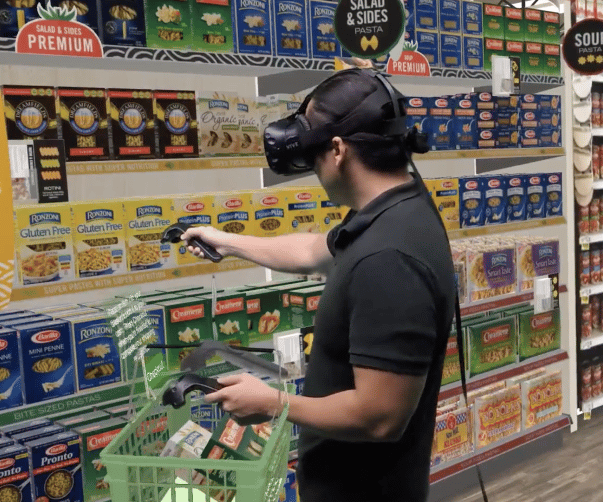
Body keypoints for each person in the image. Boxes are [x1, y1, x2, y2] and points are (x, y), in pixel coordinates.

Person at [180, 69, 455, 502]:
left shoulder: (388, 261)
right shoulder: (395, 212)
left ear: (339, 149)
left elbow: (379, 416)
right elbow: (313, 251)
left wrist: (272, 403)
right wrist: (226, 241)